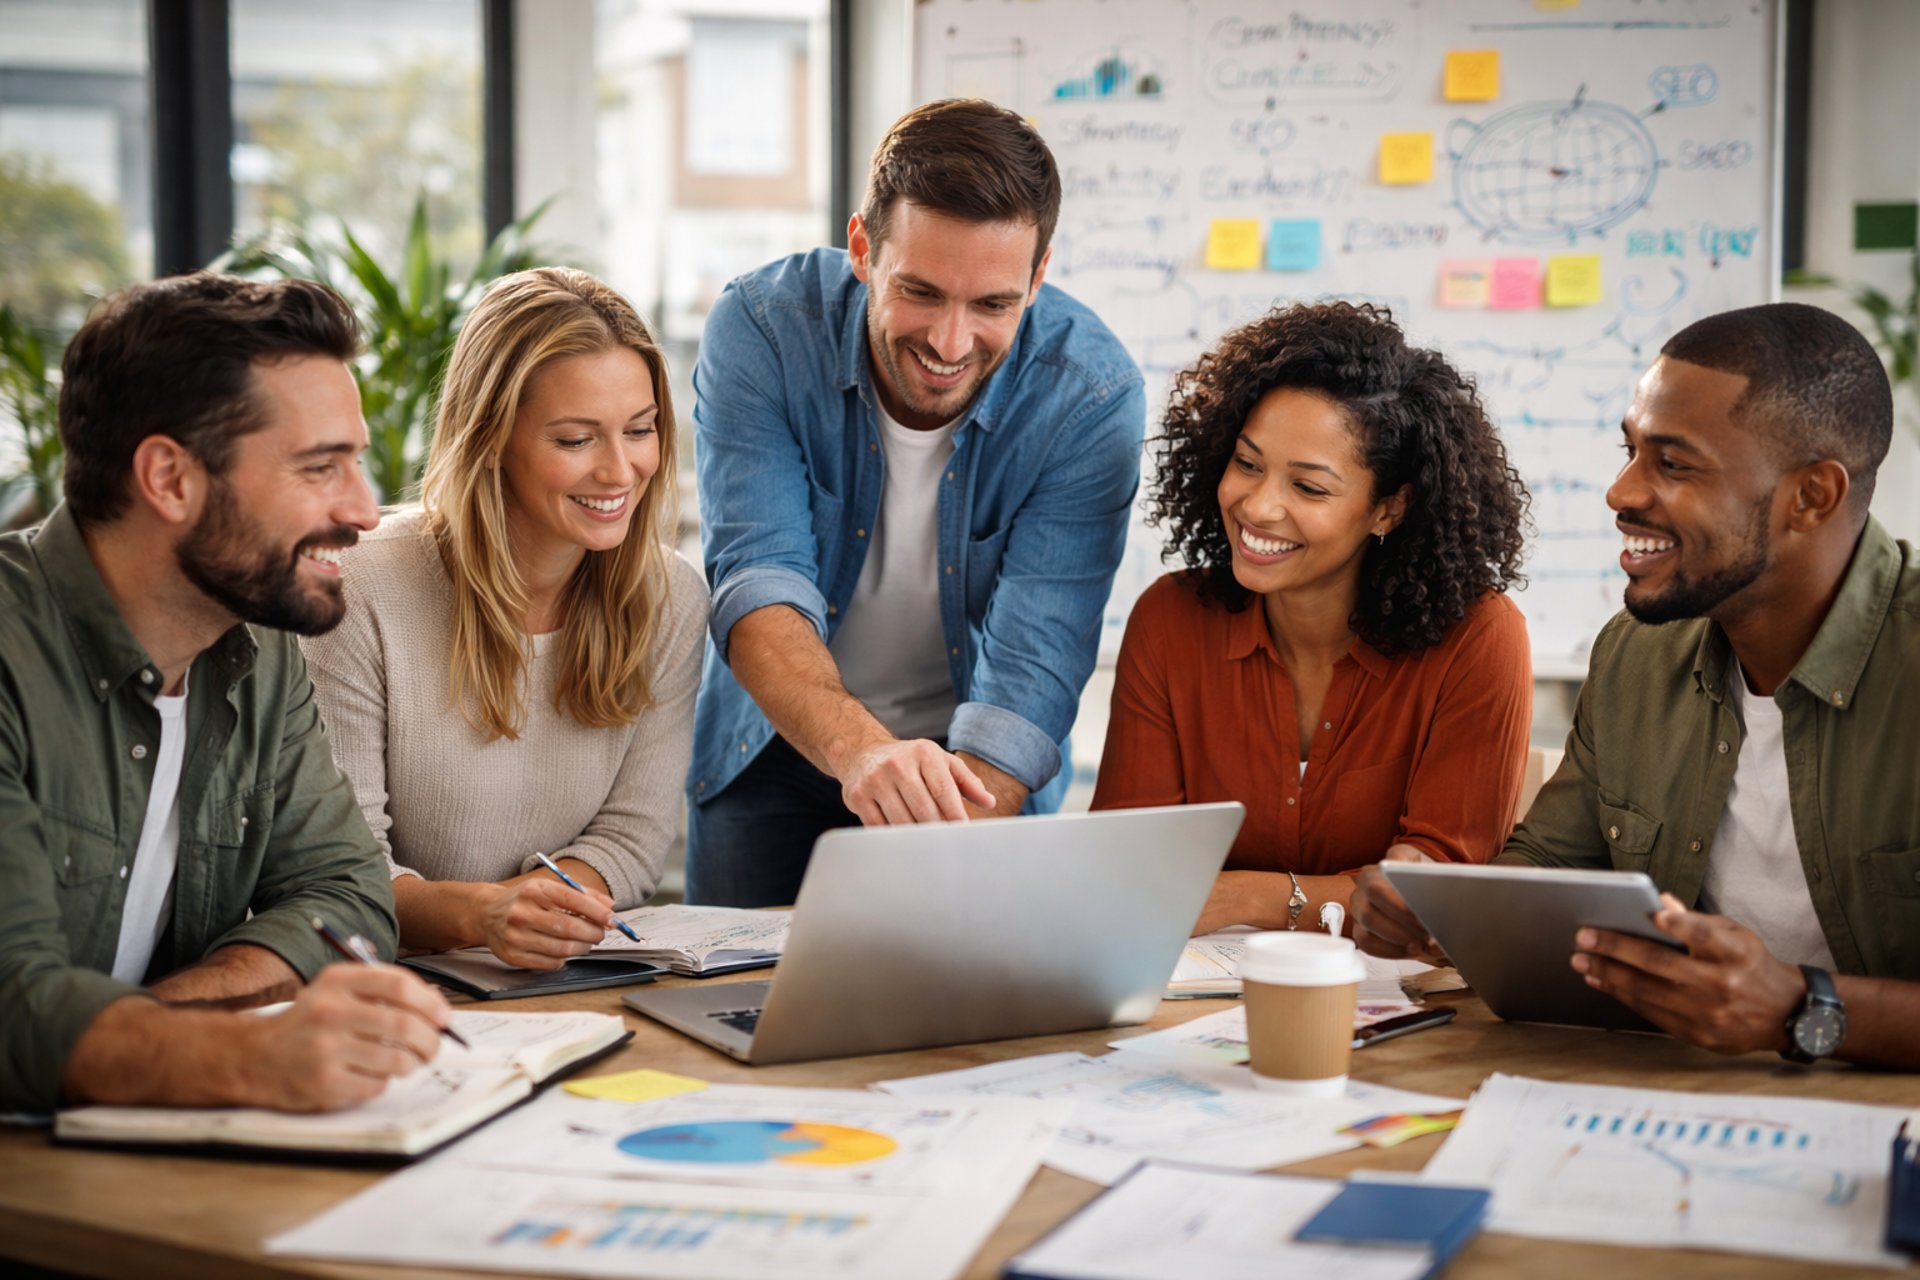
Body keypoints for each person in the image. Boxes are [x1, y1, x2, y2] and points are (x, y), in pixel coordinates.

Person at [1351, 301, 1920, 1067]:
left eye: (1673, 463)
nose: (1622, 493)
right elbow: (1551, 865)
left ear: (1811, 496)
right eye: (1629, 452)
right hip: (1667, 1093)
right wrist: (1450, 910)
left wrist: (1799, 1009)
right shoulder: (1636, 654)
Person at [0, 273, 453, 1115]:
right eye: (321, 467)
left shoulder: (257, 645)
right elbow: (11, 1007)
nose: (363, 511)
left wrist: (157, 1031)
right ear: (170, 479)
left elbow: (349, 898)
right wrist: (242, 1054)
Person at [684, 99, 1147, 907]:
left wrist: (949, 822)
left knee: (964, 1020)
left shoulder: (1091, 396)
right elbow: (758, 582)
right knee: (733, 1012)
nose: (950, 342)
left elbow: (1039, 654)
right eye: (922, 292)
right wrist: (863, 753)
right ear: (863, 248)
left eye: (994, 305)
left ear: (1038, 278)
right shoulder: (761, 328)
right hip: (775, 750)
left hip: (974, 769)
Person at [302, 268, 707, 969]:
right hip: (385, 981)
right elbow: (343, 868)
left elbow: (631, 842)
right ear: (490, 438)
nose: (620, 471)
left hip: (561, 976)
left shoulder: (671, 599)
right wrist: (482, 917)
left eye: (640, 431)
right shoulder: (357, 585)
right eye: (577, 440)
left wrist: (529, 919)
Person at [1092, 302, 1534, 935]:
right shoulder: (1171, 620)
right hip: (1188, 997)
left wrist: (1246, 898)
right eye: (1247, 464)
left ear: (1388, 509)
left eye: (1309, 488)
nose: (1259, 506)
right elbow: (1131, 864)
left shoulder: (1479, 638)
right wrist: (1339, 896)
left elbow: (1431, 894)